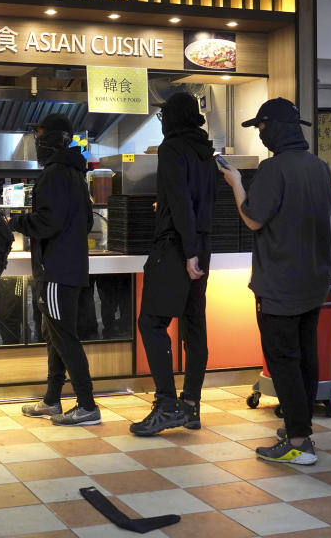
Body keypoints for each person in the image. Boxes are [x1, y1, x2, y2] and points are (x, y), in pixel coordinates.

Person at [220, 98, 331, 465]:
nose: (260, 134)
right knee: (305, 357)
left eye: (261, 128)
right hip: (314, 280)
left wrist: (236, 182)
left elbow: (253, 220)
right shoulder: (320, 167)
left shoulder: (272, 169)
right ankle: (302, 429)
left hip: (280, 284)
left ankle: (299, 442)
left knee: (283, 360)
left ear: (274, 128)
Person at [130, 92, 216, 436]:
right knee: (194, 326)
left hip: (177, 247)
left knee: (150, 322)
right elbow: (197, 201)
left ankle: (167, 404)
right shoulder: (205, 151)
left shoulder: (172, 149)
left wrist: (188, 249)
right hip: (202, 243)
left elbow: (181, 199)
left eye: (165, 116)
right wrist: (198, 248)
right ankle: (191, 405)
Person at [10, 114, 101, 426]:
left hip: (56, 272)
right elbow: (86, 221)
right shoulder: (76, 172)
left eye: (40, 133)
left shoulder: (53, 174)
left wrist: (15, 222)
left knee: (63, 337)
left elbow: (48, 223)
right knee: (55, 335)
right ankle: (52, 400)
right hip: (71, 266)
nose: (37, 139)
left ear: (54, 138)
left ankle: (87, 404)